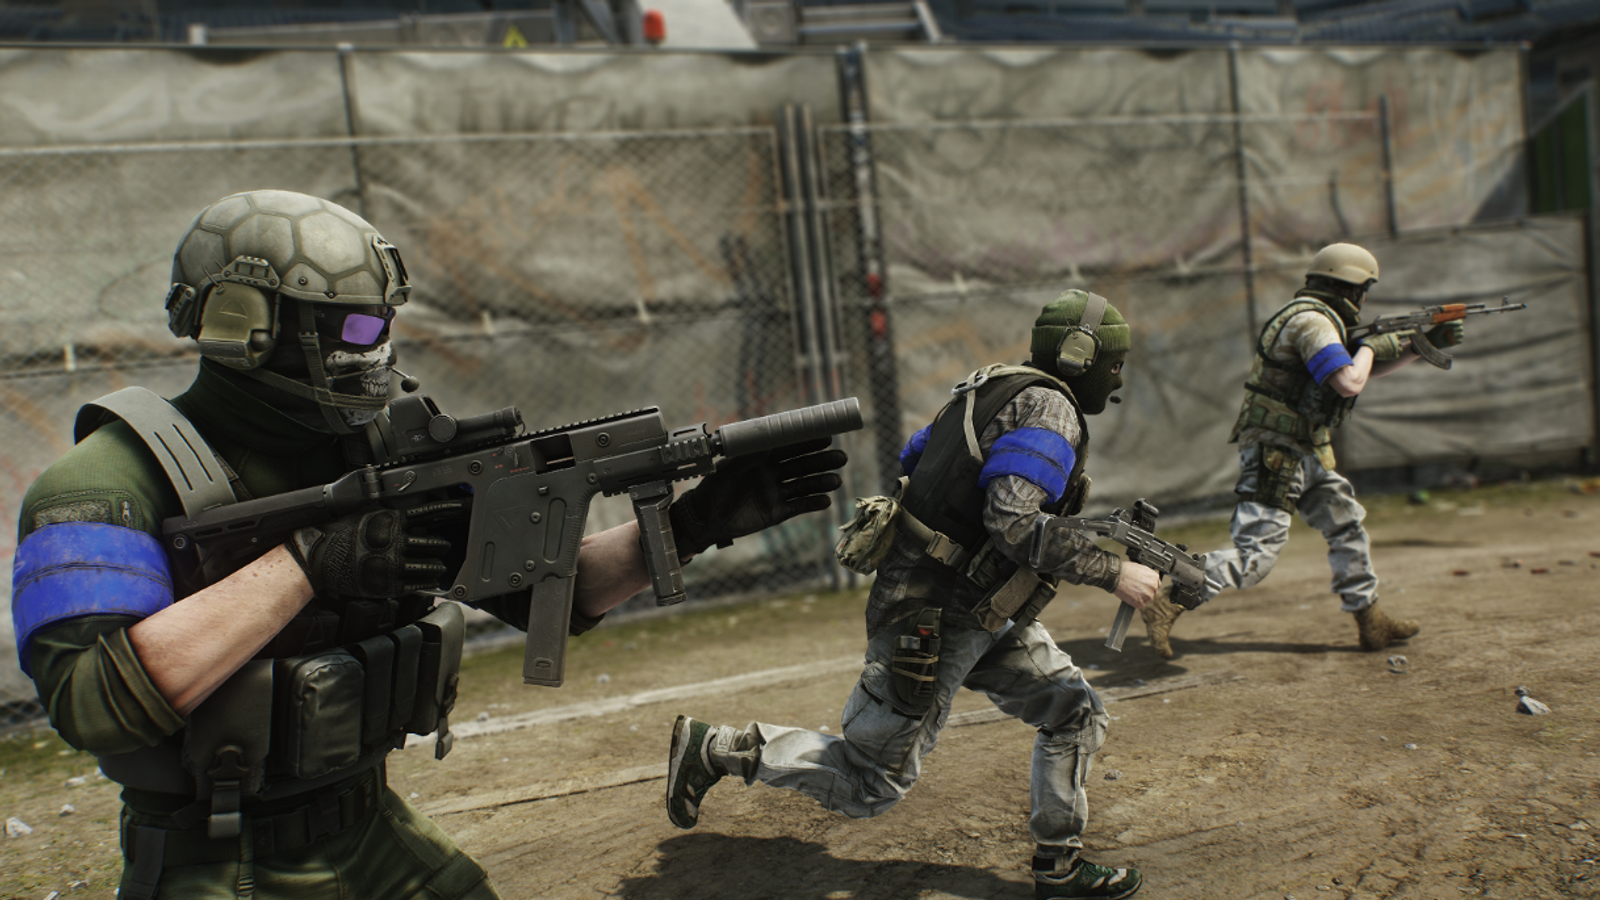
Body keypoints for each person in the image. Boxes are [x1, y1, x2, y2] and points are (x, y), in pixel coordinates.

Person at [10, 189, 846, 899]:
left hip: (368, 822)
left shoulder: (377, 450)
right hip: (219, 859)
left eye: (380, 326)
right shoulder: (103, 484)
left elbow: (555, 595)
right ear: (249, 324)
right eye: (351, 329)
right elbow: (92, 703)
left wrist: (694, 526)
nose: (373, 352)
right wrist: (307, 565)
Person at [664, 290, 1159, 900]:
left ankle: (1058, 865)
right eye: (1114, 364)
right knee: (871, 782)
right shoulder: (1052, 409)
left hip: (975, 607)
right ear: (1080, 355)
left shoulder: (990, 385)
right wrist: (1113, 573)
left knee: (1073, 711)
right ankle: (717, 749)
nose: (1117, 377)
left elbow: (916, 456)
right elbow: (1013, 522)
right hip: (938, 615)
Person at [1140, 242, 1463, 660]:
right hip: (1277, 451)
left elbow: (1356, 372)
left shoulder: (1324, 321)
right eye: (1363, 290)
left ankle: (1370, 619)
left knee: (1347, 526)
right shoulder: (1311, 322)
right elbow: (1349, 382)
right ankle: (1170, 600)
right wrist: (1372, 346)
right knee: (1255, 557)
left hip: (1308, 448)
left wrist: (1417, 346)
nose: (1363, 300)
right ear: (1350, 287)